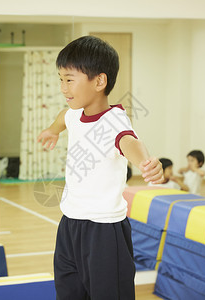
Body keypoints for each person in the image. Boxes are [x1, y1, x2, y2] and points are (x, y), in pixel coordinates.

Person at [37, 35, 164, 300]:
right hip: (69, 225)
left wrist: (146, 163)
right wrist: (52, 130)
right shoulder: (74, 113)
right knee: (69, 293)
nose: (63, 87)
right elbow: (64, 117)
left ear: (99, 81)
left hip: (104, 231)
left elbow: (129, 142)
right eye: (61, 79)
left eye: (69, 79)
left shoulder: (114, 121)